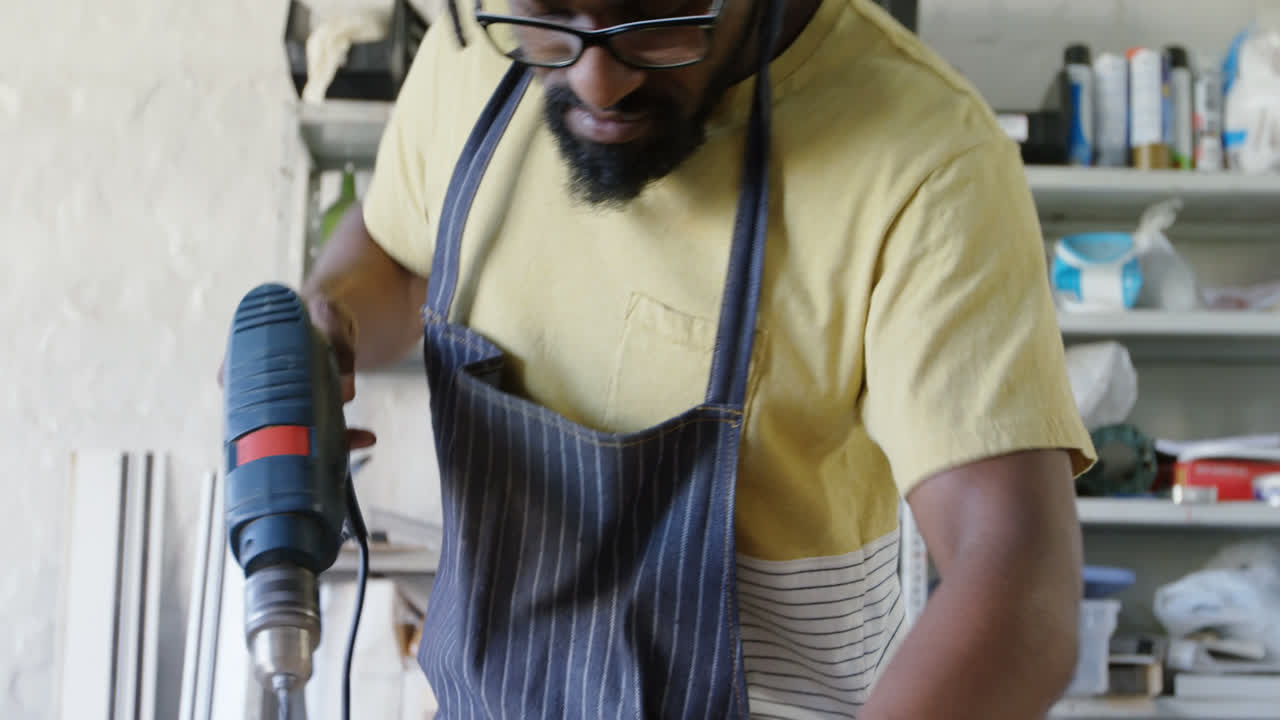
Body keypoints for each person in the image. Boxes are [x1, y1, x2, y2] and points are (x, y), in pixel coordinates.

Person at [298, 0, 1097, 716]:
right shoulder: (474, 51)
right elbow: (397, 254)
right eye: (552, 14)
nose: (598, 79)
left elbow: (1019, 589)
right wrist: (328, 319)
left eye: (655, 15)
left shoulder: (926, 158)